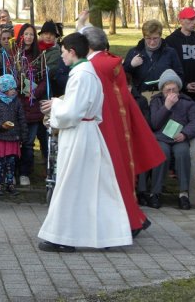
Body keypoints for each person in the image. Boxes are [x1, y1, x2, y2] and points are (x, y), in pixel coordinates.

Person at [38, 32, 131, 252]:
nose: (61, 56)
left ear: (72, 51)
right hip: (87, 133)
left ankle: (63, 237)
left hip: (79, 134)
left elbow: (73, 112)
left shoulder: (81, 75)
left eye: (62, 52)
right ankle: (108, 235)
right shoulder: (87, 72)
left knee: (70, 184)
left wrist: (55, 106)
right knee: (95, 186)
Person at [81, 23, 165, 237]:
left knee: (110, 178)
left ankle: (126, 222)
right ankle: (129, 219)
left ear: (87, 46)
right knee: (116, 177)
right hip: (116, 125)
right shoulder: (108, 61)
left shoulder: (94, 66)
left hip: (102, 128)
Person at [140, 69, 195, 210]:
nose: (171, 93)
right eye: (168, 90)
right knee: (162, 153)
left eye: (174, 89)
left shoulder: (187, 102)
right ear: (162, 90)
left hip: (179, 138)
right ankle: (155, 192)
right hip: (161, 138)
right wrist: (167, 106)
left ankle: (183, 193)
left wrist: (185, 134)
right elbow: (154, 123)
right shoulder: (156, 101)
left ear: (179, 90)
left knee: (182, 153)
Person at [13, 23, 47, 187]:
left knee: (28, 142)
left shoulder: (39, 57)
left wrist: (35, 92)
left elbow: (43, 80)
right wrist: (16, 87)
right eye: (26, 34)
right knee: (13, 140)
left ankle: (25, 173)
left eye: (31, 35)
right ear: (21, 36)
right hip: (17, 104)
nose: (28, 37)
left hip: (32, 105)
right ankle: (11, 172)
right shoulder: (13, 55)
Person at [0, 74, 28, 196]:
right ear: (4, 89)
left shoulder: (17, 102)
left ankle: (10, 184)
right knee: (0, 163)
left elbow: (22, 119)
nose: (13, 91)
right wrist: (1, 124)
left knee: (11, 162)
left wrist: (23, 135)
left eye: (14, 88)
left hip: (14, 137)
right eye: (10, 89)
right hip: (1, 137)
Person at [165, 7, 195, 116]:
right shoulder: (170, 41)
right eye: (190, 19)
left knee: (194, 124)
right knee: (176, 126)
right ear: (181, 21)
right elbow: (168, 68)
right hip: (177, 93)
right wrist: (183, 85)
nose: (194, 22)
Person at [123, 19, 183, 98]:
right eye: (148, 38)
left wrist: (171, 90)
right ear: (144, 37)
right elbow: (122, 74)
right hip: (139, 98)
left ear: (160, 36)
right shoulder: (134, 52)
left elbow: (179, 75)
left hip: (164, 98)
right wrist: (131, 65)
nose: (152, 42)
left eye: (155, 38)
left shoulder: (170, 52)